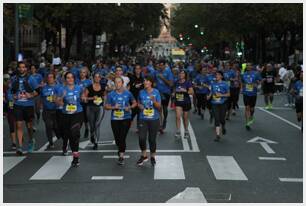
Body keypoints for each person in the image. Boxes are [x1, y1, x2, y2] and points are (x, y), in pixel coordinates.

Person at [105, 77, 137, 165]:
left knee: (122, 137)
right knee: (117, 138)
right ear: (114, 84)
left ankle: (121, 156)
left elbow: (135, 103)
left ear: (122, 83)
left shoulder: (128, 93)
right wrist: (113, 107)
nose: (117, 84)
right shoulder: (111, 94)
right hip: (114, 119)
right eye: (116, 82)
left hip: (126, 118)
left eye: (119, 82)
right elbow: (106, 107)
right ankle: (120, 148)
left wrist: (129, 107)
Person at [11, 62, 40, 155]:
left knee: (29, 126)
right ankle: (19, 147)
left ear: (26, 69)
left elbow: (38, 91)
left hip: (28, 105)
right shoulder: (14, 78)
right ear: (18, 68)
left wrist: (30, 95)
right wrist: (13, 96)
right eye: (20, 67)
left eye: (23, 67)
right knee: (18, 125)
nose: (21, 69)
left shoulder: (31, 79)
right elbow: (11, 91)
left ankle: (31, 140)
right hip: (18, 104)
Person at [56, 72, 84, 167]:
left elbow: (84, 96)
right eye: (68, 78)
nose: (70, 79)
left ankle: (76, 157)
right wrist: (61, 98)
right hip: (66, 115)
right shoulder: (61, 89)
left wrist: (84, 97)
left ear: (74, 79)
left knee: (74, 133)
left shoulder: (79, 88)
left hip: (78, 114)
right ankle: (74, 154)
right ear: (65, 79)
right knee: (70, 135)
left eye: (72, 77)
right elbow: (57, 102)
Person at [136, 76, 161, 166]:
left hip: (154, 119)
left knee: (152, 139)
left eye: (147, 81)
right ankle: (144, 155)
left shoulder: (156, 92)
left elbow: (159, 107)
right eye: (144, 81)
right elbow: (138, 102)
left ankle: (153, 156)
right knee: (141, 138)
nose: (145, 82)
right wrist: (139, 106)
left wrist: (154, 101)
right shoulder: (141, 92)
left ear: (151, 82)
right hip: (143, 118)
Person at [83, 73, 106, 149]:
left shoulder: (103, 87)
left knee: (97, 125)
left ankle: (96, 142)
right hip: (90, 108)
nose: (97, 78)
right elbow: (84, 98)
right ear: (93, 78)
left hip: (100, 108)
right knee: (92, 125)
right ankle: (92, 135)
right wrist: (92, 98)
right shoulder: (89, 87)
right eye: (95, 77)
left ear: (100, 78)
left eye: (98, 77)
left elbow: (104, 96)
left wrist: (104, 100)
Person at [207, 71, 230, 142]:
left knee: (222, 119)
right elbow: (211, 91)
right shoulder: (213, 83)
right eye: (216, 75)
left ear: (221, 76)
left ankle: (223, 126)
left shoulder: (225, 84)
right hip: (214, 103)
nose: (216, 76)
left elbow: (228, 94)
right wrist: (209, 96)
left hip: (223, 103)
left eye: (218, 75)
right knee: (217, 119)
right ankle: (217, 135)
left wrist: (221, 95)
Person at [154, 59, 174, 133]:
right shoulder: (156, 72)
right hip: (157, 93)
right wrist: (153, 84)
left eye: (162, 65)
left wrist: (163, 78)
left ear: (165, 65)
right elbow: (152, 80)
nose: (161, 66)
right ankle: (160, 124)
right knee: (159, 108)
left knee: (164, 108)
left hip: (166, 92)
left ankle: (164, 120)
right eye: (160, 65)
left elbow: (171, 84)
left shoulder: (168, 72)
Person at [174, 70, 194, 139]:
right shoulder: (176, 82)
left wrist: (184, 90)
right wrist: (173, 93)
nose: (181, 74)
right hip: (178, 101)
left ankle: (186, 131)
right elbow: (174, 90)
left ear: (185, 75)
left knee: (185, 117)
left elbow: (192, 92)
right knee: (177, 116)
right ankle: (178, 131)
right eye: (180, 73)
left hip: (186, 102)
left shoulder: (188, 82)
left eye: (182, 73)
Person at [241, 63, 262, 130]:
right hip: (246, 93)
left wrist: (257, 85)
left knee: (252, 109)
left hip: (253, 93)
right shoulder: (243, 74)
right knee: (247, 107)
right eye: (247, 65)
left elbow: (260, 81)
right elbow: (242, 82)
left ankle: (251, 116)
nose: (248, 66)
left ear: (252, 66)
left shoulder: (256, 73)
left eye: (250, 65)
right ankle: (247, 123)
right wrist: (241, 88)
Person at [41, 73, 59, 148]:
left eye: (51, 77)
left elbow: (62, 97)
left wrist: (56, 99)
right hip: (46, 111)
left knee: (56, 127)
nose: (50, 79)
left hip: (56, 110)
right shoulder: (44, 88)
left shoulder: (58, 87)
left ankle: (59, 135)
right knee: (48, 126)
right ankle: (50, 142)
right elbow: (41, 98)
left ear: (54, 78)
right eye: (48, 77)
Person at [77, 67, 92, 139]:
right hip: (78, 102)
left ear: (86, 74)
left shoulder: (89, 82)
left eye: (84, 72)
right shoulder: (77, 81)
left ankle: (86, 128)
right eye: (81, 72)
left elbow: (91, 92)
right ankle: (77, 131)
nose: (82, 74)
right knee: (78, 118)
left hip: (86, 102)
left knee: (85, 117)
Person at [129, 64, 144, 132]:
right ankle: (129, 121)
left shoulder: (142, 78)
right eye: (136, 69)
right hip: (133, 97)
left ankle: (138, 127)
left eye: (139, 69)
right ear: (134, 70)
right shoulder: (131, 77)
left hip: (140, 98)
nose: (137, 70)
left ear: (141, 70)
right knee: (134, 112)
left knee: (139, 112)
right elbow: (129, 87)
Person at [4, 75, 17, 150]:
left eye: (8, 79)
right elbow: (5, 102)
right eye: (5, 80)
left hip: (18, 108)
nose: (7, 81)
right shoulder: (4, 89)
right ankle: (14, 143)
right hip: (9, 109)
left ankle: (19, 137)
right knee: (11, 126)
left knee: (18, 125)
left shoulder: (15, 88)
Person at [30, 64, 44, 130]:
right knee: (32, 111)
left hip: (38, 95)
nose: (32, 69)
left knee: (37, 110)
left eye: (33, 68)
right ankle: (33, 125)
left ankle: (38, 117)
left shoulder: (39, 76)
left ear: (35, 69)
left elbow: (42, 84)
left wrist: (37, 86)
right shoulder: (29, 76)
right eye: (31, 68)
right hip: (31, 95)